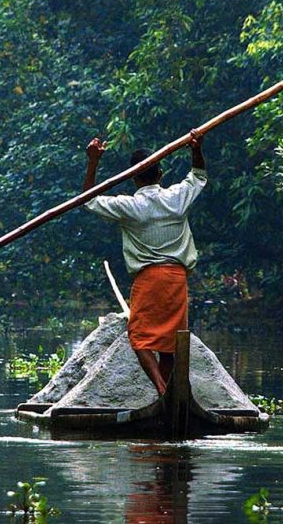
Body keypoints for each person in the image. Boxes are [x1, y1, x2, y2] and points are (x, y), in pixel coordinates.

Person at [82, 129, 207, 396]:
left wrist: (93, 162)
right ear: (160, 175)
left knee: (139, 339)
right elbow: (198, 176)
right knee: (169, 343)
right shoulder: (176, 198)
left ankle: (163, 391)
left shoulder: (129, 206)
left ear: (134, 179)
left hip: (149, 280)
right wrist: (196, 149)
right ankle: (168, 394)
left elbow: (88, 200)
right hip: (176, 280)